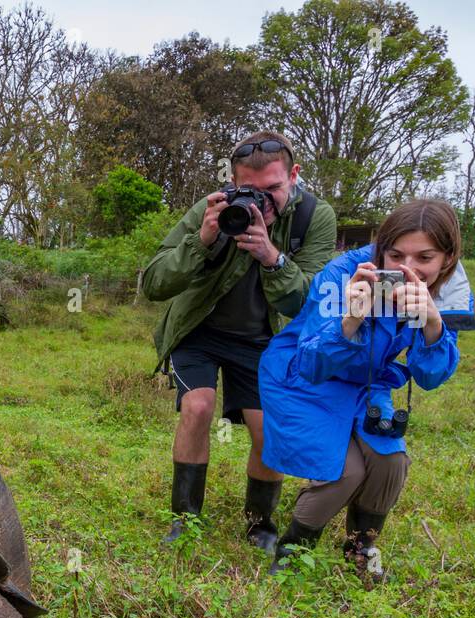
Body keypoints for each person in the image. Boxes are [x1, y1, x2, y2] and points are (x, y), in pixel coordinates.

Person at [258, 199, 475, 581]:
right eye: (396, 254)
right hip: (305, 379)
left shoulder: (448, 289)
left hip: (367, 382)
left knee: (390, 461)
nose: (408, 268)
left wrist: (432, 323)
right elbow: (311, 363)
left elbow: (429, 376)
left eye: (424, 257)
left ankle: (361, 550)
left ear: (448, 257)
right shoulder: (344, 273)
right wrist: (351, 318)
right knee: (343, 471)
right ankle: (292, 549)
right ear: (380, 248)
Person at [143, 131, 337, 553]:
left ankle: (260, 524)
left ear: (294, 175)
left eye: (273, 189)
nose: (261, 202)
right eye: (250, 190)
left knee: (267, 431)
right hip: (200, 330)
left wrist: (272, 258)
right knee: (197, 407)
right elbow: (154, 283)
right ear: (233, 182)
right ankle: (185, 520)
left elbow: (309, 301)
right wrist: (202, 242)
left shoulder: (314, 218)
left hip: (266, 340)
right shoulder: (211, 209)